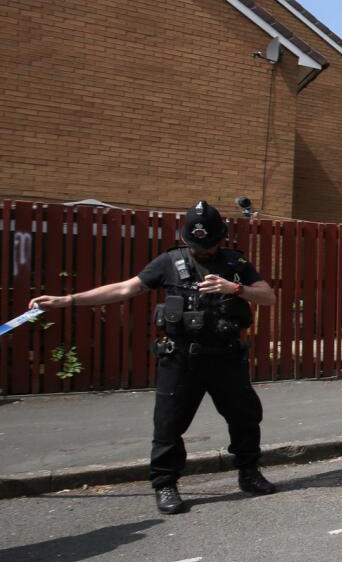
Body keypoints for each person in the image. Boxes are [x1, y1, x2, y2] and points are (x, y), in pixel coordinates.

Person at [29, 201, 279, 515]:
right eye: (196, 244)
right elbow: (123, 289)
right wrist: (67, 300)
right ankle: (165, 484)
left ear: (221, 238)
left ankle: (249, 473)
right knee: (168, 425)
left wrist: (235, 288)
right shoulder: (168, 262)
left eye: (210, 244)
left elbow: (268, 296)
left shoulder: (235, 262)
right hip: (180, 360)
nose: (203, 250)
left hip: (225, 357)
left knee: (244, 417)